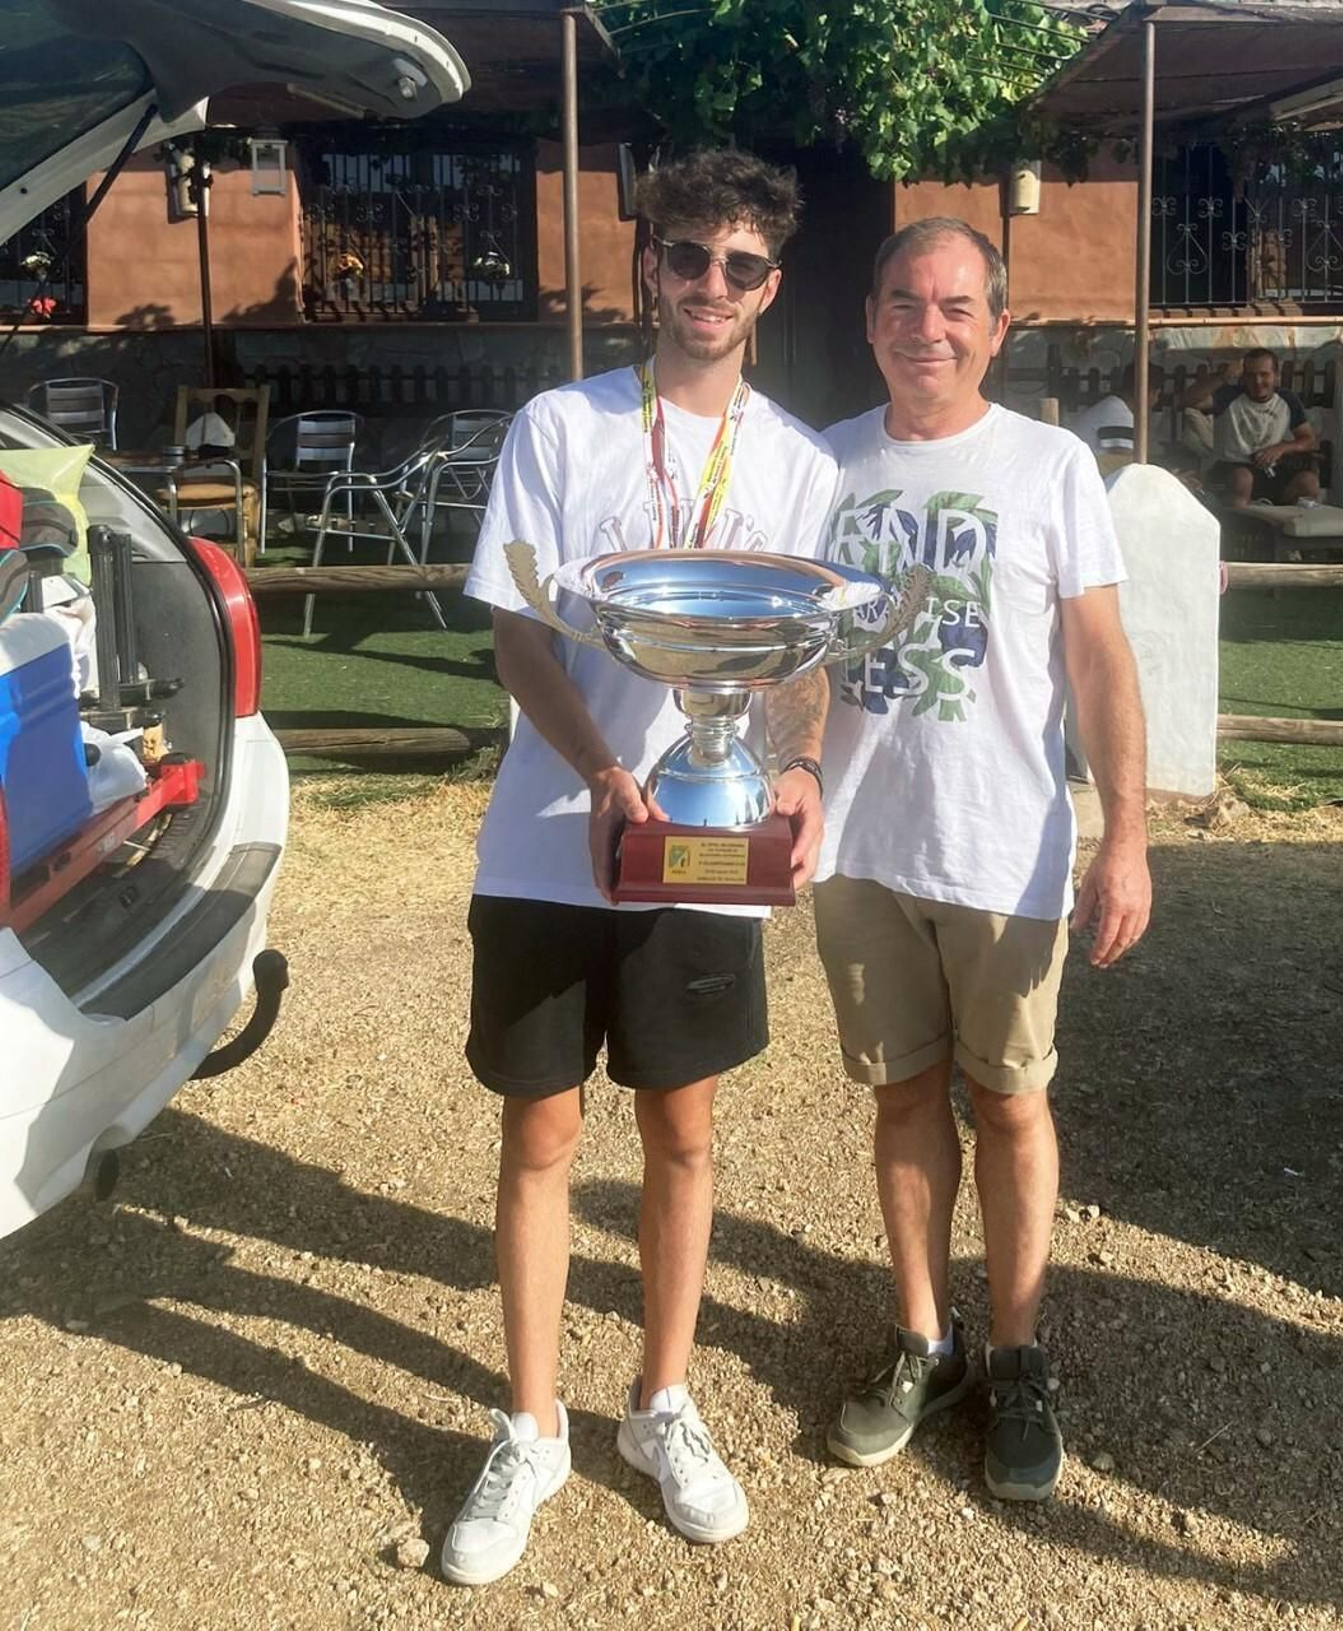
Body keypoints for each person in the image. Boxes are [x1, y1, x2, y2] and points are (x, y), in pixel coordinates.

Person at [440, 148, 838, 1586]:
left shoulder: (799, 463)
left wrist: (797, 769)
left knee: (682, 1132)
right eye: (686, 256)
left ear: (769, 286)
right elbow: (517, 634)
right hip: (553, 838)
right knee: (542, 1136)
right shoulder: (561, 428)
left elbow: (802, 657)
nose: (709, 284)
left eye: (739, 264)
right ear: (647, 267)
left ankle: (660, 1399)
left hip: (706, 845)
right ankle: (532, 1422)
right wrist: (607, 774)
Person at [803, 217, 1152, 1502]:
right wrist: (782, 780)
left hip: (1002, 847)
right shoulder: (822, 464)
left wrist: (1126, 835)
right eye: (904, 302)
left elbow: (1100, 661)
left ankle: (1015, 1352)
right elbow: (790, 652)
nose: (928, 328)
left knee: (1008, 1101)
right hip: (859, 845)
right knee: (901, 1095)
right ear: (869, 319)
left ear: (998, 327)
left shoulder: (1049, 466)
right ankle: (923, 1339)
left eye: (956, 307)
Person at [1182, 347, 1319, 507]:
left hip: (1269, 469)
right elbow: (1187, 401)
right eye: (1251, 375)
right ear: (1243, 377)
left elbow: (1309, 440)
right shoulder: (1229, 395)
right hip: (1230, 468)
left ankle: (1284, 521)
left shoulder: (1287, 399)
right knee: (1243, 478)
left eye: (1264, 375)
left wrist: (1281, 448)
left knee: (1309, 482)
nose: (1258, 381)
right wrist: (1222, 377)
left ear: (1276, 377)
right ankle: (1240, 522)